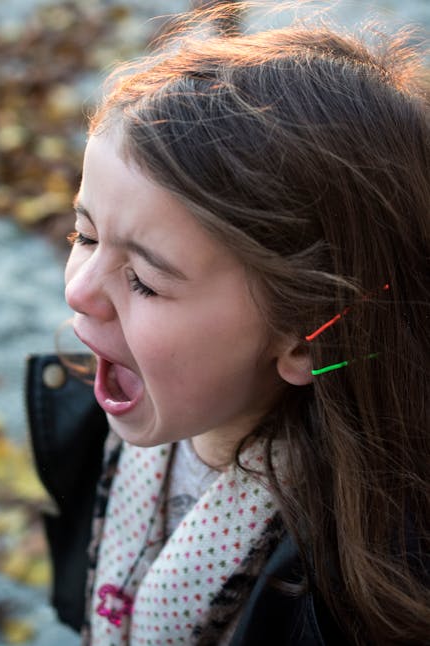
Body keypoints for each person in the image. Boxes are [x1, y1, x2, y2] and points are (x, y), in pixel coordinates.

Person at [26, 4, 430, 645]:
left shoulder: (358, 602)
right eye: (84, 233)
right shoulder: (89, 420)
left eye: (144, 281)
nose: (77, 291)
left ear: (304, 337)